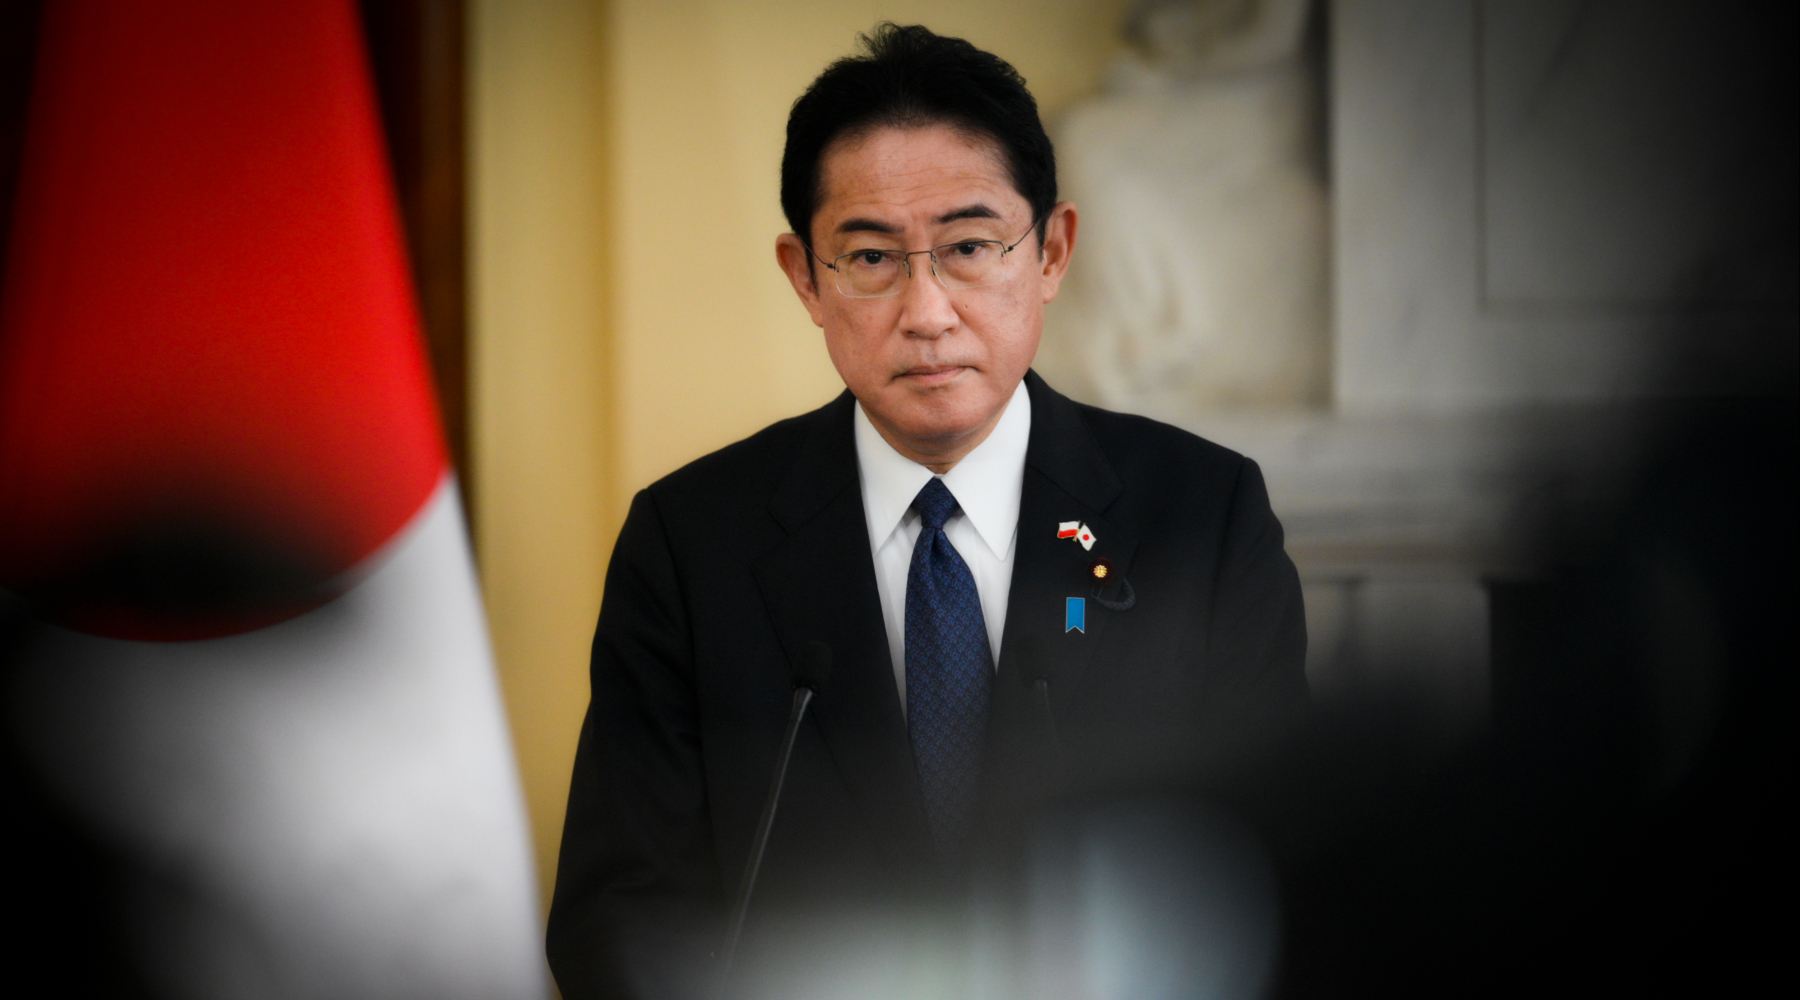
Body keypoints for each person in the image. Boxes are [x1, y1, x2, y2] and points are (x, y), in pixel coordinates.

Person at [546, 23, 1307, 1000]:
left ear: (1052, 252)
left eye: (971, 247)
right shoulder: (690, 545)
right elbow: (620, 917)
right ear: (805, 278)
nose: (927, 311)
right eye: (870, 257)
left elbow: (1280, 882)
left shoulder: (1202, 518)